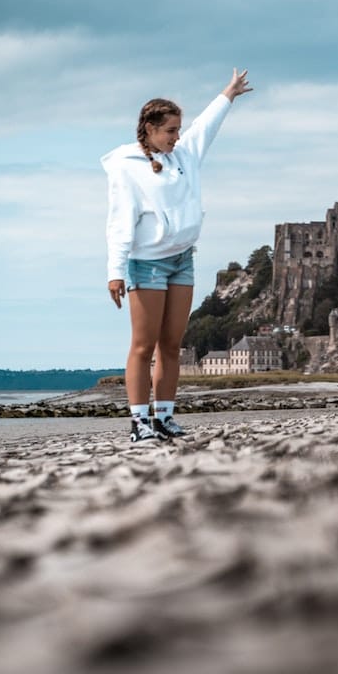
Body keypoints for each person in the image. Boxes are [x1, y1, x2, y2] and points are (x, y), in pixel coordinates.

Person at [102, 68, 252, 442]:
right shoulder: (126, 168)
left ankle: (164, 417)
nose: (177, 136)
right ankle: (139, 423)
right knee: (143, 344)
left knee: (172, 344)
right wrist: (115, 271)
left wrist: (228, 94)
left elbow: (206, 126)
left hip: (182, 260)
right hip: (146, 263)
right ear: (149, 129)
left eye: (178, 129)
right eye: (170, 130)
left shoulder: (184, 155)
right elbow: (120, 222)